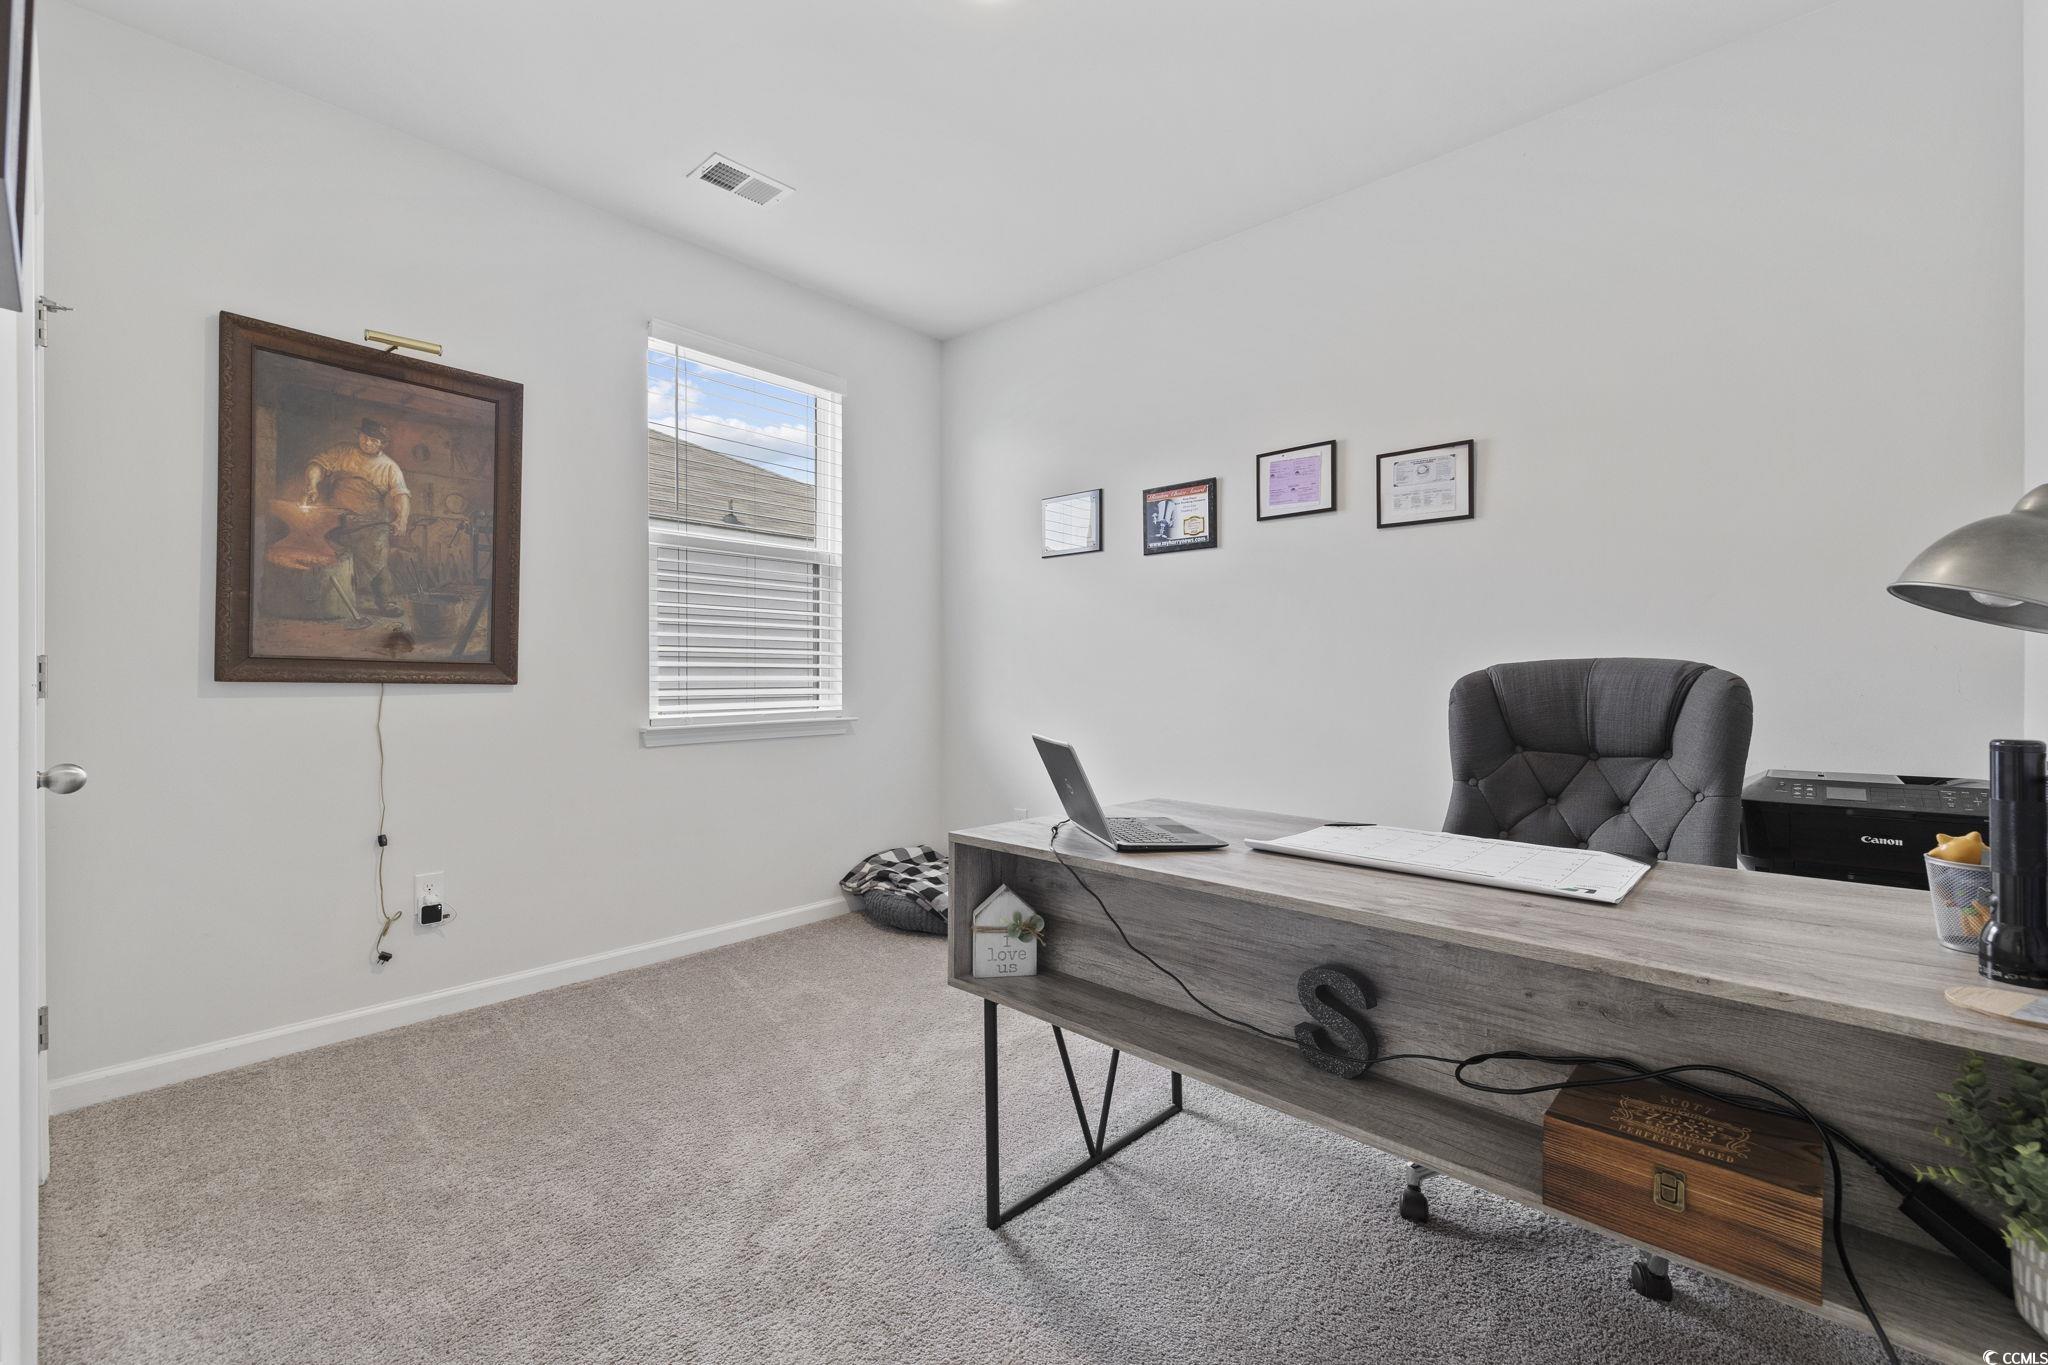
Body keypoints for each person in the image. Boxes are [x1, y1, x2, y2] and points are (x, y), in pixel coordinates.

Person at [305, 418, 411, 618]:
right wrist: (312, 485)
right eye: (365, 437)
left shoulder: (389, 467)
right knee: (329, 557)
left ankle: (386, 602)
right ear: (359, 435)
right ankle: (329, 601)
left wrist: (402, 519)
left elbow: (401, 496)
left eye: (374, 440)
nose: (367, 442)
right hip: (337, 517)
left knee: (377, 562)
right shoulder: (343, 452)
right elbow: (317, 465)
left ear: (382, 444)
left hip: (371, 522)